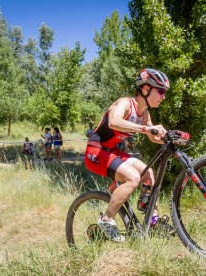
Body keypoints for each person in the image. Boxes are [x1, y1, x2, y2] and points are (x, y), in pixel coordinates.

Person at [85, 68, 172, 242]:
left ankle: (151, 218)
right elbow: (114, 121)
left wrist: (169, 138)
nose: (163, 96)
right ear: (146, 89)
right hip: (96, 151)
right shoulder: (125, 103)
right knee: (133, 177)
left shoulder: (144, 113)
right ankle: (106, 220)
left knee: (148, 173)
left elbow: (152, 136)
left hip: (112, 152)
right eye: (160, 91)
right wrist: (146, 128)